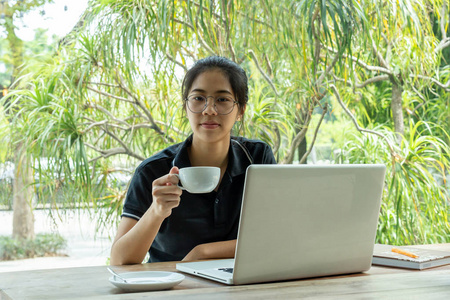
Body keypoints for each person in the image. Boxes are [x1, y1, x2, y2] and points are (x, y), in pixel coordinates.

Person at [110, 56, 276, 265]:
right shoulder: (153, 171)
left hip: (239, 286)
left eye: (222, 99)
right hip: (172, 287)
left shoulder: (257, 158)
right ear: (186, 106)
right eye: (198, 98)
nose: (209, 109)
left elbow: (274, 237)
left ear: (240, 110)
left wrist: (202, 253)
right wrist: (156, 211)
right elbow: (119, 261)